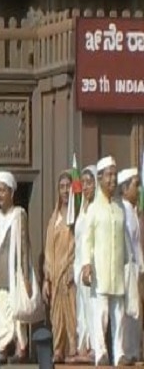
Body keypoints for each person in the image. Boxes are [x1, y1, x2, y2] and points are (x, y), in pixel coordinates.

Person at [82, 156, 126, 366]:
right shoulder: (93, 209)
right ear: (100, 179)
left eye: (115, 175)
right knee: (102, 316)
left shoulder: (120, 208)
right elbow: (86, 241)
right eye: (109, 175)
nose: (113, 179)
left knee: (119, 315)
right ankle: (101, 353)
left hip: (117, 271)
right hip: (100, 273)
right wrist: (86, 265)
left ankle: (119, 355)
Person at [0, 171, 31, 362]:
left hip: (15, 274)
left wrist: (27, 277)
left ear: (11, 192)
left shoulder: (19, 215)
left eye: (3, 190)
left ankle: (21, 349)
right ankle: (2, 349)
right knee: (0, 314)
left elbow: (24, 247)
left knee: (17, 314)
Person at [43, 170, 77, 363]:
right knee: (56, 316)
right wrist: (47, 278)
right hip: (55, 276)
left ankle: (73, 348)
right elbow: (48, 250)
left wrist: (74, 267)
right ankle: (58, 350)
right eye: (62, 187)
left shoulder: (77, 217)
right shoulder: (53, 220)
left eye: (68, 187)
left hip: (70, 274)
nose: (65, 190)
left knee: (72, 312)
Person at [119, 167, 143, 363]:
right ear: (125, 188)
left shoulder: (133, 212)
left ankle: (135, 351)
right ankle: (127, 352)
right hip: (127, 268)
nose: (139, 190)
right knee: (128, 312)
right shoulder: (122, 212)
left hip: (136, 268)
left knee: (136, 312)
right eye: (136, 185)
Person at [74, 164, 97, 362]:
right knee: (82, 308)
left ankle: (93, 347)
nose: (87, 187)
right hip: (79, 268)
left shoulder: (97, 210)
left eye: (90, 182)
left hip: (93, 268)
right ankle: (82, 346)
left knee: (92, 307)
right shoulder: (83, 210)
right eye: (85, 183)